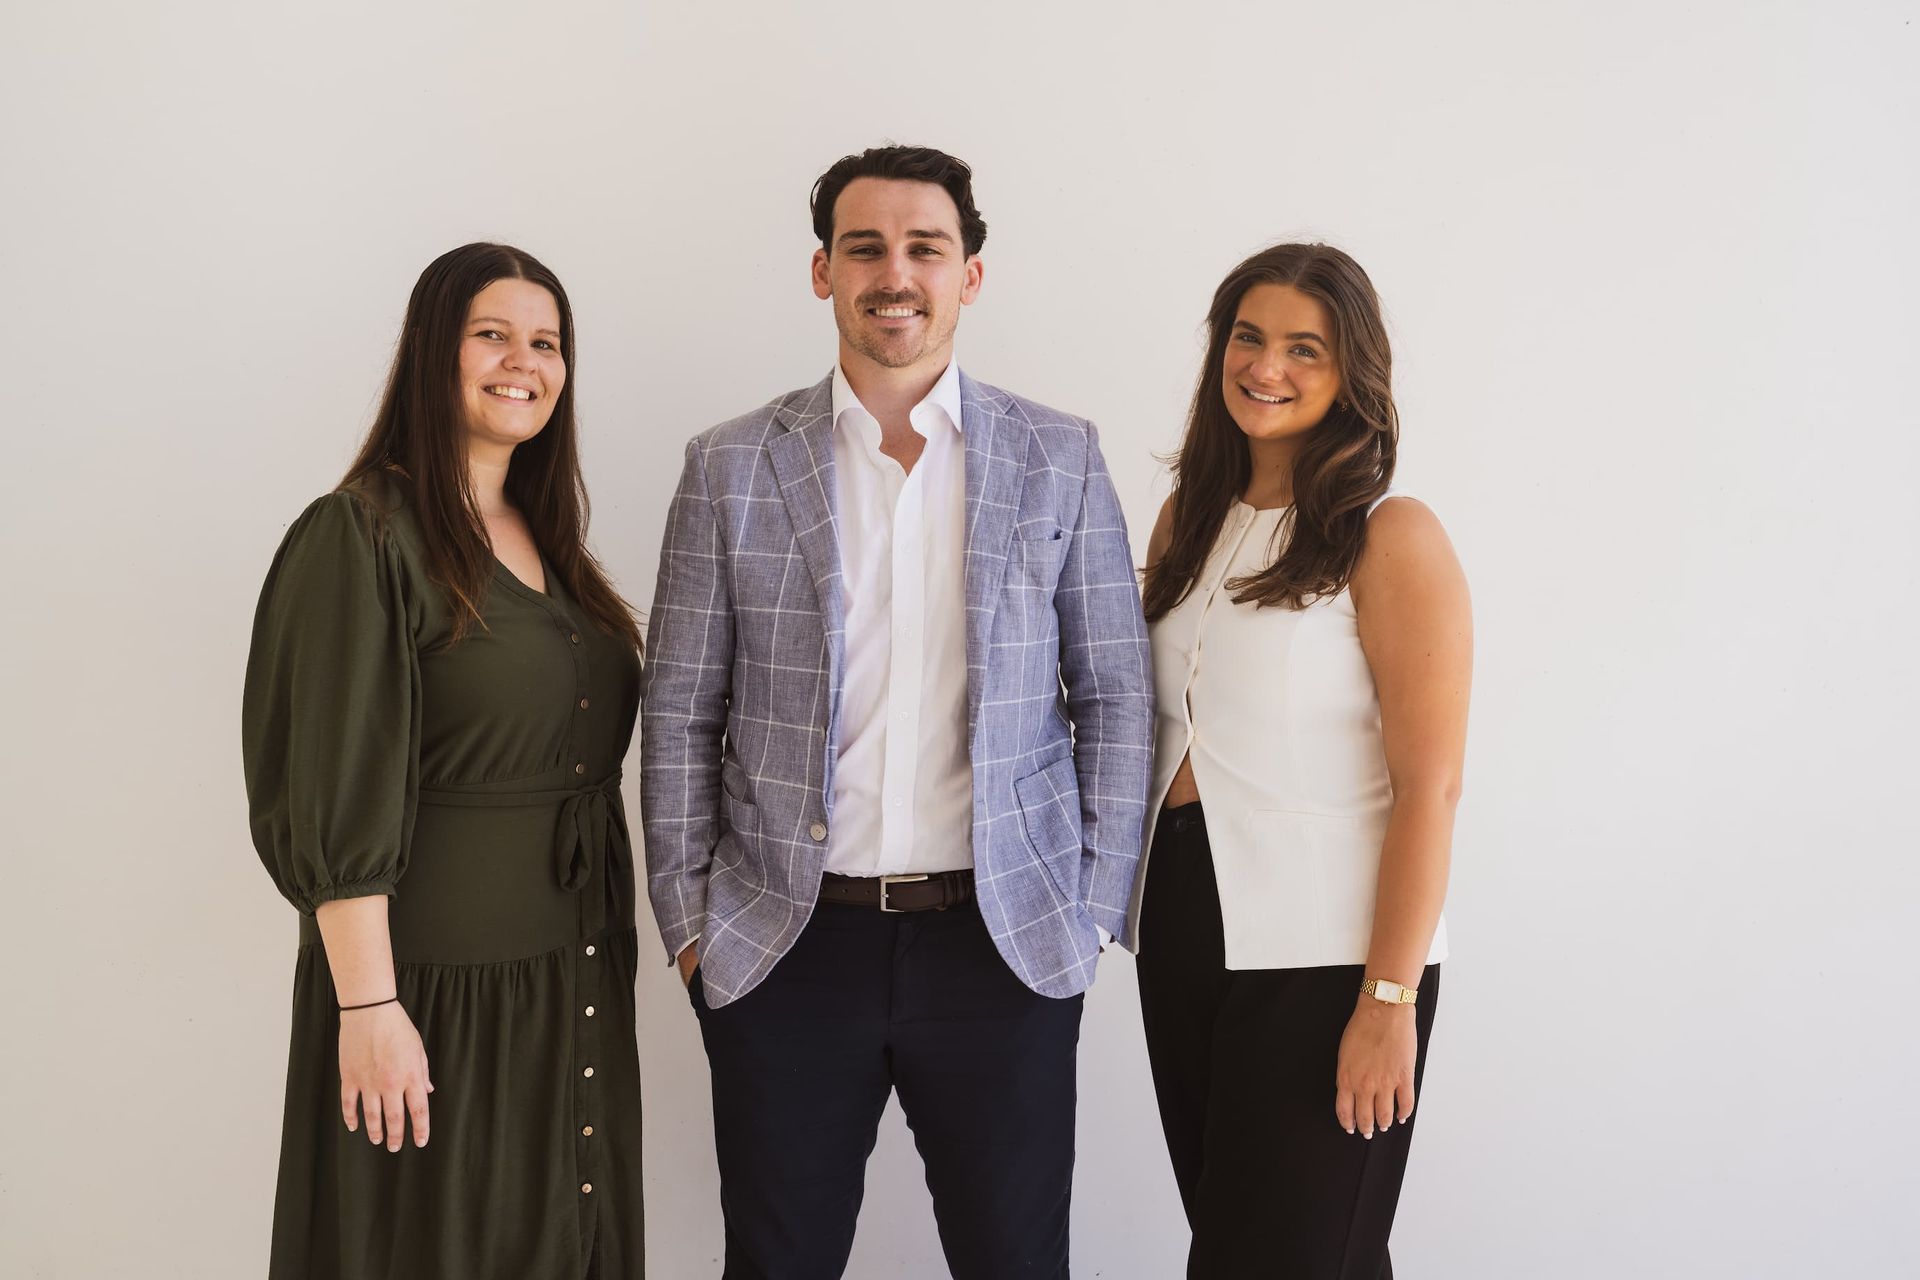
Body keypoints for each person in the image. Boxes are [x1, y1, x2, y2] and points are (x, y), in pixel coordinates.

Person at [640, 145, 1153, 1279]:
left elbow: (1115, 687)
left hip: (1004, 944)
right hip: (786, 940)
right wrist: (688, 925)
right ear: (822, 272)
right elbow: (681, 705)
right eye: (865, 246)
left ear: (971, 274)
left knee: (1016, 1262)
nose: (896, 272)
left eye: (927, 246)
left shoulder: (1058, 455)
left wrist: (1089, 908)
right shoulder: (729, 465)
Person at [242, 243, 646, 1279]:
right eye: (493, 334)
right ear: (434, 350)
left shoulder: (548, 539)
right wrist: (370, 1009)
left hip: (572, 979)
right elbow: (333, 788)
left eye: (547, 342)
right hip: (434, 997)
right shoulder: (360, 535)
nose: (525, 361)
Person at [1133, 243, 1472, 1278]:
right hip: (1184, 924)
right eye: (1248, 336)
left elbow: (1432, 786)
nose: (1265, 366)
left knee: (1291, 1258)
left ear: (1350, 373)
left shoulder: (1389, 535)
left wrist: (1388, 998)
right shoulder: (1187, 522)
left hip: (1328, 956)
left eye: (1303, 348)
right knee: (1245, 1253)